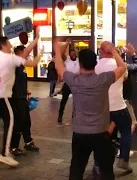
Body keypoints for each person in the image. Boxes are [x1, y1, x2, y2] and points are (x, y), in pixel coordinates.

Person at [54, 39, 126, 180]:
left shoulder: (74, 80)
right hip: (101, 133)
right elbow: (122, 67)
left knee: (77, 169)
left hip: (80, 133)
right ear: (95, 63)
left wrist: (57, 50)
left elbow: (59, 67)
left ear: (80, 64)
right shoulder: (104, 79)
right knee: (106, 171)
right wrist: (113, 51)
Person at [0, 34, 41, 167]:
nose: (11, 46)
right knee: (10, 122)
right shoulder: (9, 58)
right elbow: (32, 62)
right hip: (4, 96)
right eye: (9, 44)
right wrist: (39, 52)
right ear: (3, 45)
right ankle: (5, 153)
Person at [95, 43, 134, 172]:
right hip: (118, 106)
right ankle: (123, 159)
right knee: (126, 132)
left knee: (101, 136)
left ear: (101, 51)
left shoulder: (96, 66)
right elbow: (125, 77)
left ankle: (97, 163)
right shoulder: (118, 65)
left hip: (102, 107)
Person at [9, 45, 41, 156]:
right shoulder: (16, 63)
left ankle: (28, 141)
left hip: (22, 97)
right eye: (25, 52)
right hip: (16, 98)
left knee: (26, 121)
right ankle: (13, 147)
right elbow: (34, 63)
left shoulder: (21, 66)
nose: (27, 54)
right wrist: (40, 53)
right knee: (18, 123)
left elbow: (21, 79)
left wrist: (27, 90)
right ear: (21, 53)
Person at [57, 44, 79, 126]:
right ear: (69, 55)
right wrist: (66, 44)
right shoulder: (67, 60)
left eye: (74, 54)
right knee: (64, 100)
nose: (73, 55)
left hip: (76, 84)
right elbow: (62, 54)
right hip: (68, 84)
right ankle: (60, 115)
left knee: (76, 101)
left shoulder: (79, 61)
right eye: (72, 54)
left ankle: (75, 116)